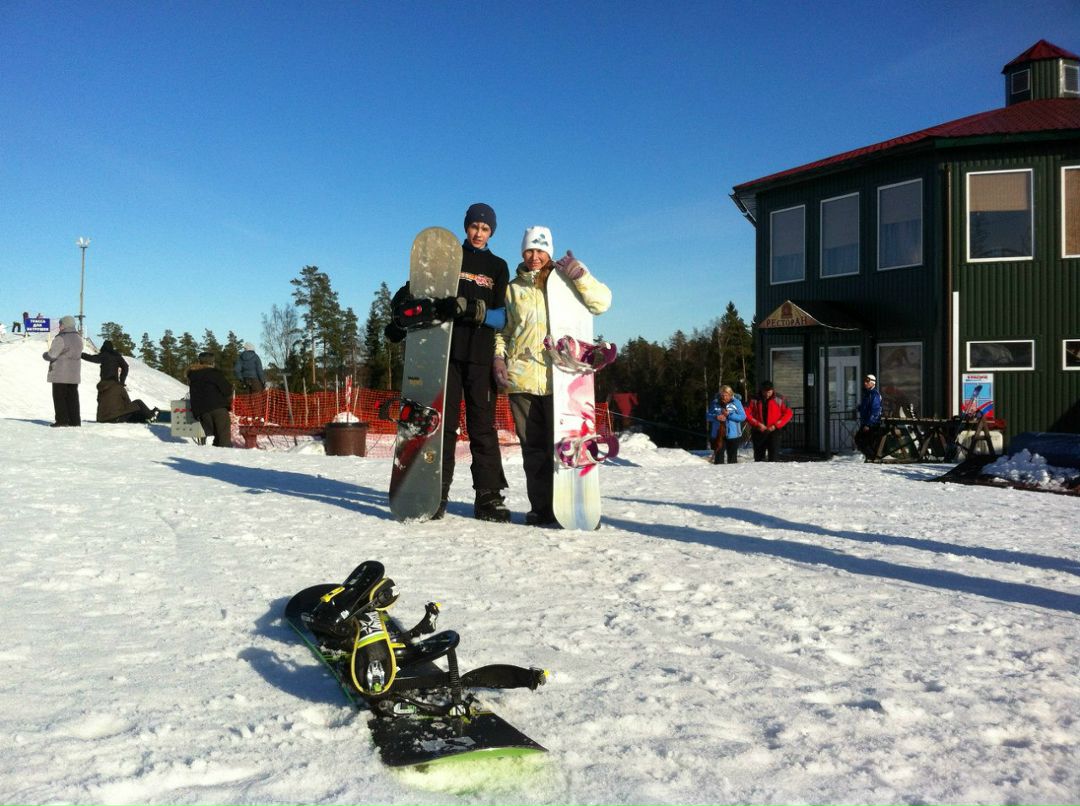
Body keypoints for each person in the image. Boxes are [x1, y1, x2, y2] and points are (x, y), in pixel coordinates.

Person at [384, 203, 511, 521]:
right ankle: (436, 493)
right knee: (444, 429)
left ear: (491, 232)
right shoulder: (450, 258)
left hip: (480, 358)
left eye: (485, 229)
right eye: (474, 227)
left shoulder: (497, 266)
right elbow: (417, 288)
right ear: (466, 227)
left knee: (483, 429)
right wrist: (401, 311)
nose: (479, 233)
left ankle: (488, 497)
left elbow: (502, 317)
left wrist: (472, 310)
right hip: (446, 357)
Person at [495, 226, 612, 526]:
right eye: (529, 251)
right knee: (533, 450)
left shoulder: (565, 281)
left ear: (549, 252)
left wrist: (581, 277)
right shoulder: (512, 289)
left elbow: (601, 303)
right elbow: (503, 332)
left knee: (566, 445)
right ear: (522, 252)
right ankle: (542, 508)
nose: (535, 257)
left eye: (540, 250)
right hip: (522, 379)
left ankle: (575, 505)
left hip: (562, 380)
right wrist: (498, 357)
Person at [82, 340, 158, 423]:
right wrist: (122, 381)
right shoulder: (118, 386)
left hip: (102, 419)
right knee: (138, 403)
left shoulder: (101, 389)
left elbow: (91, 358)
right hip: (116, 418)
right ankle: (151, 416)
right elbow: (125, 367)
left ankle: (146, 418)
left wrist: (79, 354)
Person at [43, 315, 83, 427]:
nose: (59, 326)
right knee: (73, 397)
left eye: (60, 324)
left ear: (64, 325)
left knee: (59, 397)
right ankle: (75, 421)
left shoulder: (61, 338)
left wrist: (45, 355)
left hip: (60, 373)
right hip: (74, 374)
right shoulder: (78, 338)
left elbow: (52, 354)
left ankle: (62, 420)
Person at [187, 350, 233, 447]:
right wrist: (228, 402)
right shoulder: (214, 373)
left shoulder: (193, 376)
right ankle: (226, 459)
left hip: (201, 412)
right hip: (218, 409)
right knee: (224, 438)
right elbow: (227, 390)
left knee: (217, 436)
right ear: (212, 362)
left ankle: (215, 456)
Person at [745, 380, 793, 461]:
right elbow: (746, 413)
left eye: (769, 392)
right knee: (759, 458)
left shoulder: (780, 399)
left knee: (774, 457)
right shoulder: (753, 399)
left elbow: (788, 414)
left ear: (772, 390)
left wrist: (776, 425)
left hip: (774, 431)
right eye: (765, 392)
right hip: (758, 430)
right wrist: (757, 424)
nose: (767, 394)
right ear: (761, 390)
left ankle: (774, 473)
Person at [707, 385, 746, 464]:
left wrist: (729, 415)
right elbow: (708, 416)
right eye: (722, 395)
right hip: (719, 434)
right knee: (719, 459)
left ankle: (732, 475)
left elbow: (743, 417)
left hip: (733, 434)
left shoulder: (736, 402)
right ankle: (719, 475)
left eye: (726, 395)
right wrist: (716, 417)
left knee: (732, 459)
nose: (724, 397)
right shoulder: (715, 402)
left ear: (731, 394)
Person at [855, 373, 884, 456]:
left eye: (867, 381)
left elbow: (875, 410)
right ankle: (872, 458)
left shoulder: (874, 395)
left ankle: (873, 458)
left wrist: (868, 424)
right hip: (865, 422)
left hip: (871, 424)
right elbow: (866, 407)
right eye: (864, 381)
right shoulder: (868, 394)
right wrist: (860, 408)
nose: (865, 383)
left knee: (863, 441)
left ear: (873, 383)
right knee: (861, 440)